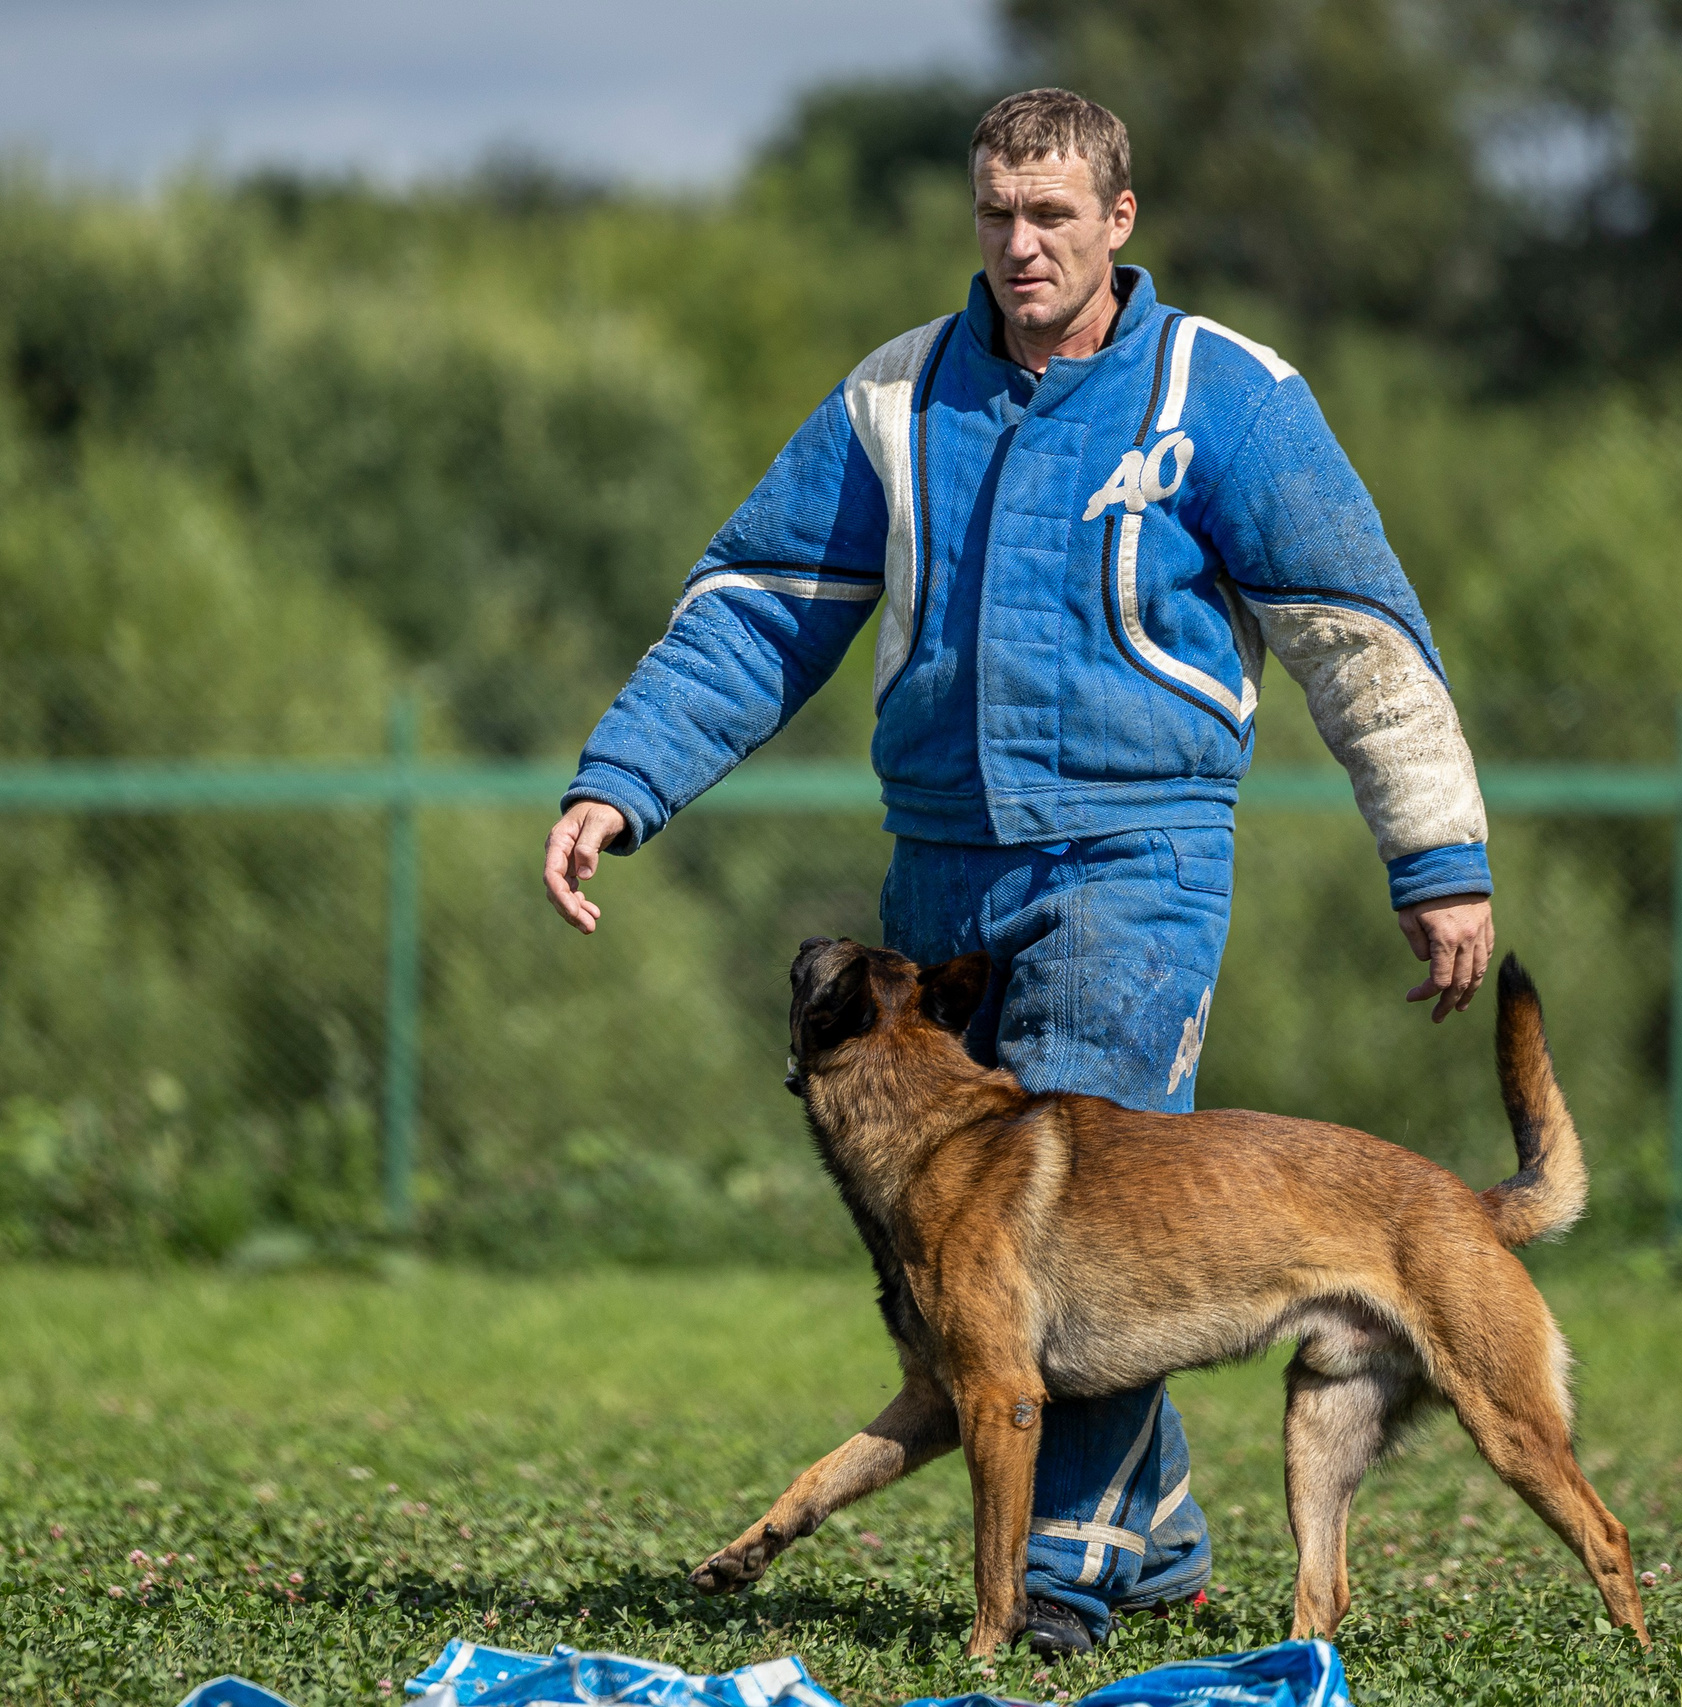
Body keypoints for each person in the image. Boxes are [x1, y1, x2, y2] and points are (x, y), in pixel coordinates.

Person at [543, 88, 1495, 1655]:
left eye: (1053, 215)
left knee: (1088, 1217)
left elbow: (1358, 640)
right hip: (942, 878)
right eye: (997, 213)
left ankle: (1060, 1573)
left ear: (1121, 218)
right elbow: (759, 609)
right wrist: (621, 782)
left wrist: (1438, 855)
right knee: (942, 1258)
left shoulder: (1229, 398)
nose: (1021, 243)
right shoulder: (896, 396)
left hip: (1139, 862)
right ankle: (1154, 1520)